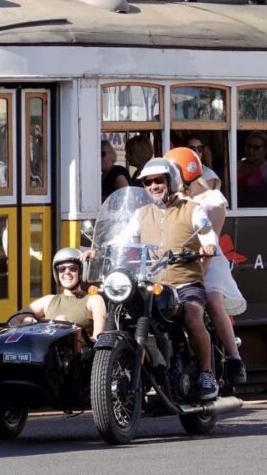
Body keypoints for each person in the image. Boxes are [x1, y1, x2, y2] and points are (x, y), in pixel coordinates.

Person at [90, 158, 219, 399]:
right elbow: (123, 240)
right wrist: (99, 250)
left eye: (158, 181)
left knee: (192, 315)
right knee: (126, 313)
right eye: (148, 182)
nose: (153, 186)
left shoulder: (191, 209)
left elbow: (206, 232)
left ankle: (206, 373)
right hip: (152, 283)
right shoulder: (141, 213)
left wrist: (209, 245)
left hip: (185, 282)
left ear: (171, 182)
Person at [165, 147, 247, 384]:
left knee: (211, 299)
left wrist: (199, 272)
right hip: (173, 260)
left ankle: (234, 358)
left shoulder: (211, 200)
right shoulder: (167, 200)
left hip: (206, 260)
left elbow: (209, 239)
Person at [11, 248, 107, 341]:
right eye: (61, 269)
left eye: (73, 268)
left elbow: (98, 340)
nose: (67, 272)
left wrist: (97, 255)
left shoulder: (93, 300)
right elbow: (14, 319)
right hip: (45, 353)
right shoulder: (49, 300)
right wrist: (28, 322)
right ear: (57, 274)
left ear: (81, 271)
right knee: (27, 319)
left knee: (61, 319)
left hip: (78, 355)